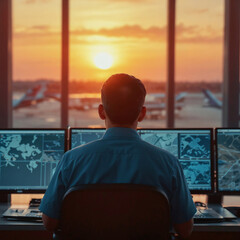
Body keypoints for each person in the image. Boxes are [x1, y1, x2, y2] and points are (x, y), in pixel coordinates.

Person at [40, 73, 196, 238]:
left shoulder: (71, 160)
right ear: (142, 114)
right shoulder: (169, 164)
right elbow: (185, 229)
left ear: (101, 112)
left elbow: (49, 222)